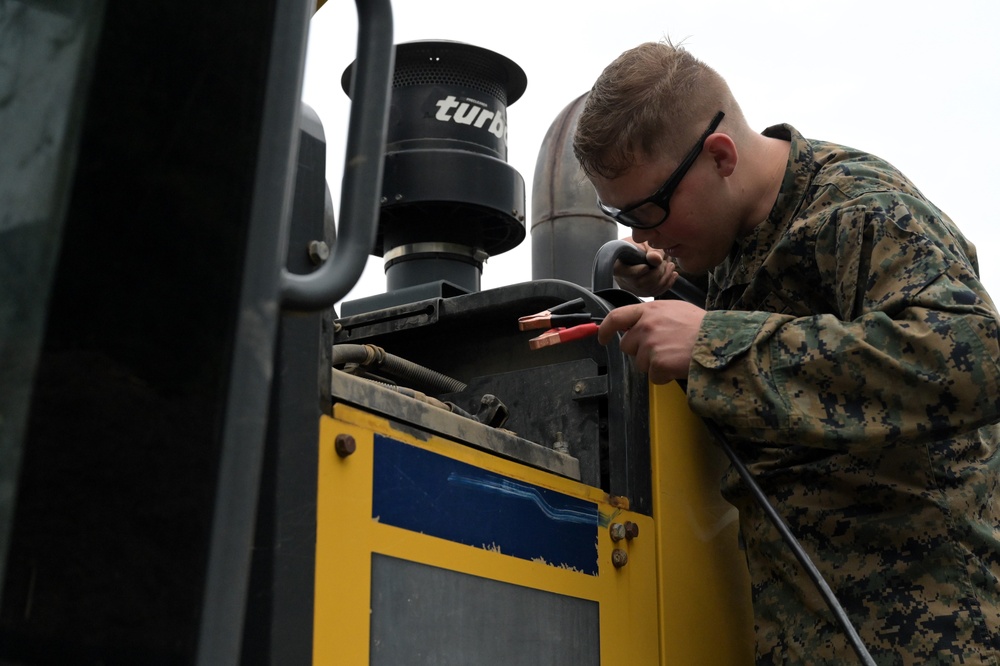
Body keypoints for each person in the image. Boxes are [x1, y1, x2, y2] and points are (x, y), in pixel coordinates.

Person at [573, 40, 1000, 665]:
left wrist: (714, 344)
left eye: (651, 210)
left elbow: (976, 358)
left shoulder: (859, 210)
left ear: (720, 156)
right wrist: (681, 284)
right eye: (625, 218)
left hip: (929, 638)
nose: (641, 234)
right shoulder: (737, 244)